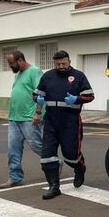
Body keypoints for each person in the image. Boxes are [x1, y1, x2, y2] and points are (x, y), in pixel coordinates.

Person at [34, 50, 94, 199]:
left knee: (70, 154)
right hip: (51, 121)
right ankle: (54, 186)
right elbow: (36, 94)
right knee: (47, 155)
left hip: (70, 122)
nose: (61, 66)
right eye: (58, 64)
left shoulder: (79, 76)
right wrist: (38, 100)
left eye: (64, 63)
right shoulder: (47, 76)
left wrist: (77, 99)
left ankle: (79, 168)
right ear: (54, 63)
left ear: (69, 62)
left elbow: (90, 96)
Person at [0, 50, 44, 189]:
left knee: (36, 145)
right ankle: (15, 177)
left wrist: (38, 113)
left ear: (20, 60)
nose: (10, 66)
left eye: (11, 63)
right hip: (14, 118)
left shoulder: (35, 71)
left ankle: (53, 162)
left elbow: (41, 93)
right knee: (13, 149)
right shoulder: (18, 74)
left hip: (28, 118)